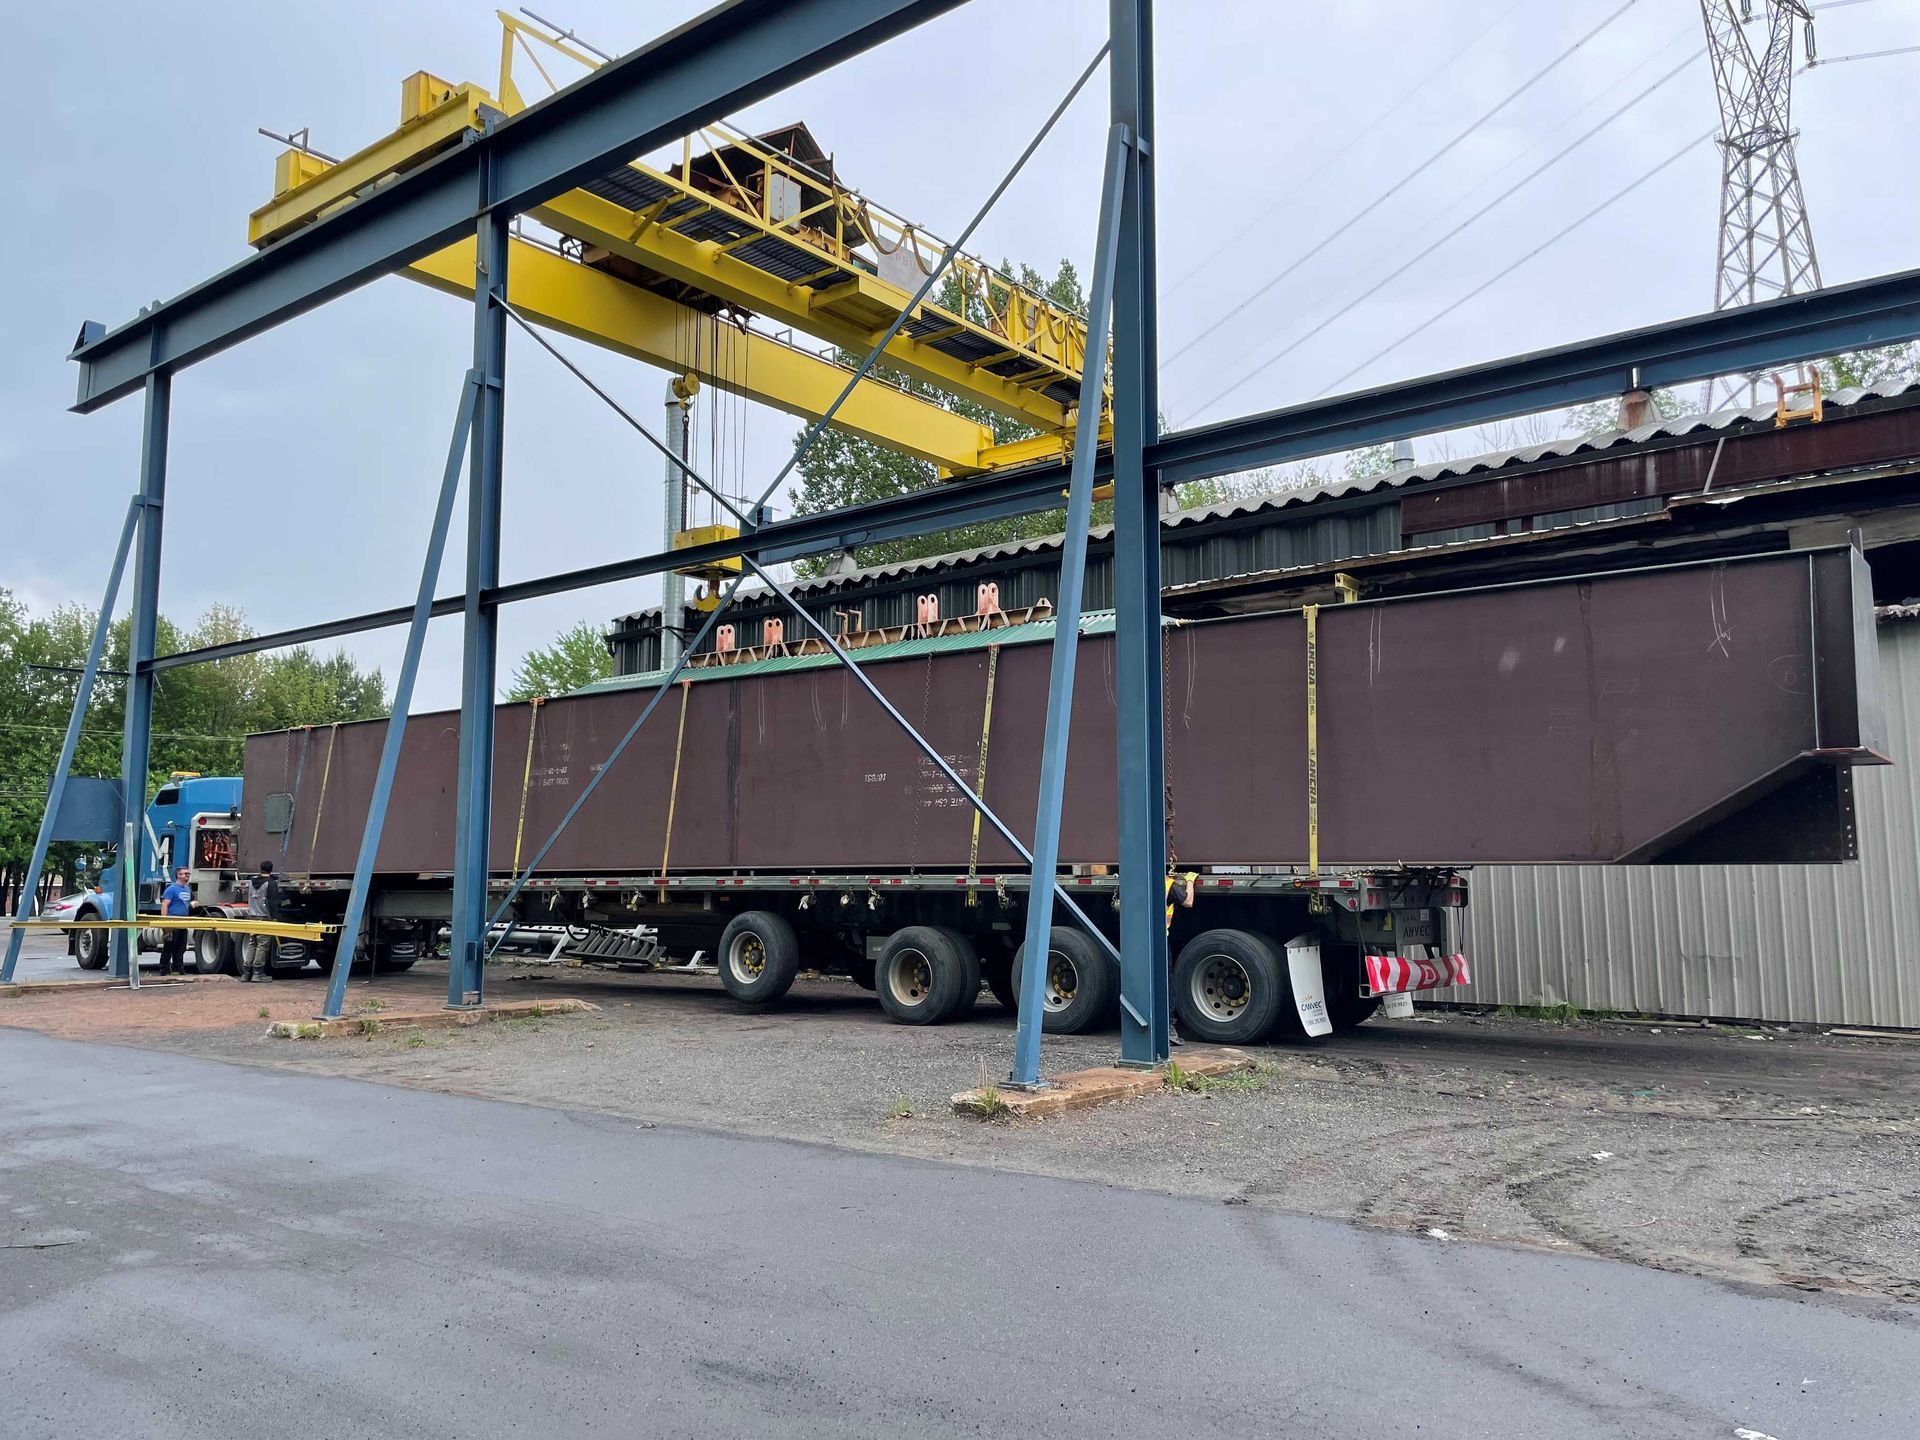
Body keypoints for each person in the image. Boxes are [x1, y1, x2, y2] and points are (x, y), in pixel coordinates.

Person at [242, 859, 281, 982]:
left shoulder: (251, 882)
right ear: (271, 869)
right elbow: (273, 903)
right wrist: (274, 918)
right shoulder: (271, 883)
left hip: (252, 917)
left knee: (252, 943)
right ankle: (257, 973)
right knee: (262, 945)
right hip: (264, 918)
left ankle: (246, 973)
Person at [158, 866, 192, 977]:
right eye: (185, 873)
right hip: (172, 923)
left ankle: (178, 969)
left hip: (183, 923)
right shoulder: (171, 889)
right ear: (178, 875)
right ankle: (164, 970)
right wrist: (165, 923)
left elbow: (183, 904)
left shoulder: (187, 889)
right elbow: (165, 905)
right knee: (169, 947)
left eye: (188, 874)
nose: (187, 875)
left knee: (180, 948)